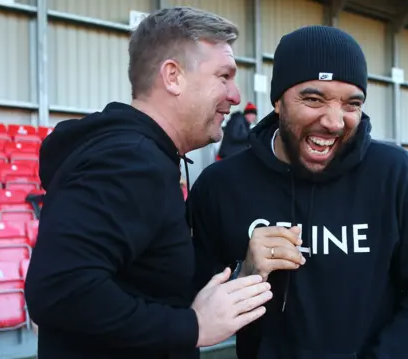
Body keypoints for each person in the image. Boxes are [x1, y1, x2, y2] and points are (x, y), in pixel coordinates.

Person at [188, 25, 408, 359]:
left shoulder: (395, 174)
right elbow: (192, 304)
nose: (334, 121)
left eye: (351, 104)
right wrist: (246, 273)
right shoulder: (222, 186)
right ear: (278, 101)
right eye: (313, 99)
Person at [24, 7, 272, 359]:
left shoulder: (144, 155)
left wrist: (246, 269)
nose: (235, 94)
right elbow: (59, 289)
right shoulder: (130, 161)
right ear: (173, 76)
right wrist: (193, 327)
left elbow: (147, 286)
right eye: (224, 76)